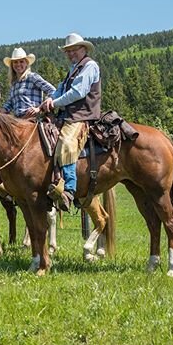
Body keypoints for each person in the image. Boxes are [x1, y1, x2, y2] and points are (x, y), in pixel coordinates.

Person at [39, 33, 101, 212]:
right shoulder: (72, 70)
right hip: (67, 116)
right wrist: (48, 101)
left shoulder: (89, 66)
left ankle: (69, 189)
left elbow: (78, 92)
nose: (71, 53)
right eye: (68, 51)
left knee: (66, 143)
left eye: (74, 50)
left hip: (82, 116)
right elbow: (59, 91)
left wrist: (55, 103)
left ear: (84, 49)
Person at [1, 48, 55, 118]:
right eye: (15, 62)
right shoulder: (14, 83)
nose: (18, 64)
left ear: (26, 63)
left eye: (21, 61)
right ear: (12, 65)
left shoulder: (32, 77)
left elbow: (52, 90)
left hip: (32, 118)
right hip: (18, 120)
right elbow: (10, 103)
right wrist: (0, 110)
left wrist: (39, 108)